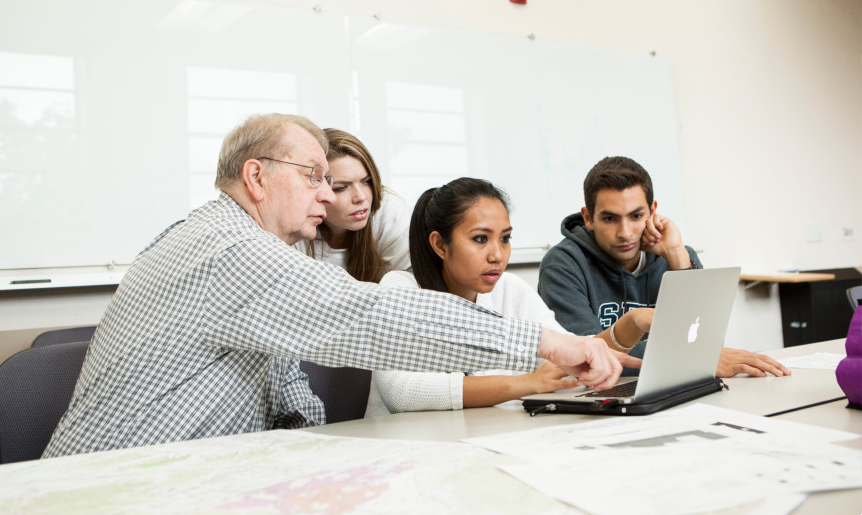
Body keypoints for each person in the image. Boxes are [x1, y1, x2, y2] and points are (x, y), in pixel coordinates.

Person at [44, 114, 635, 458]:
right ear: (256, 177)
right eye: (314, 177)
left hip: (187, 474)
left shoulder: (253, 255)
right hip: (108, 483)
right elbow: (373, 316)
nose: (328, 195)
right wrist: (546, 343)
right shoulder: (227, 247)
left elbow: (286, 388)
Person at [365, 178, 649, 417]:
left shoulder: (510, 289)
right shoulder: (400, 289)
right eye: (480, 239)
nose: (497, 255)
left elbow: (567, 353)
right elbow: (401, 393)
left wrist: (616, 337)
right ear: (440, 244)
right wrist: (524, 384)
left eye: (505, 238)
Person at [537, 156, 791, 378]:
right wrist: (693, 359)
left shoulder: (679, 256)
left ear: (653, 211)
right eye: (610, 218)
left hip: (672, 384)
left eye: (636, 216)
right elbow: (584, 359)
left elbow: (706, 339)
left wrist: (676, 256)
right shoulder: (562, 265)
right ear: (588, 218)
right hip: (603, 396)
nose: (625, 233)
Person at [303, 128, 410, 282]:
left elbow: (408, 285)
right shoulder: (297, 223)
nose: (361, 197)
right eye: (341, 188)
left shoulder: (390, 211)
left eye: (367, 181)